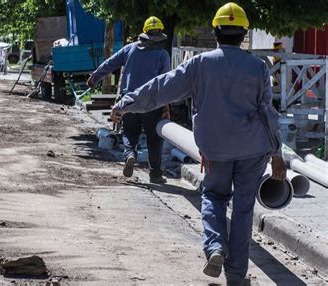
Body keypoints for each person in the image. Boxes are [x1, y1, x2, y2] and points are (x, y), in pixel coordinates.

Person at [109, 3, 287, 285]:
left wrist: (124, 104)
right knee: (243, 210)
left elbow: (161, 87)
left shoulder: (200, 64)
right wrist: (277, 155)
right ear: (244, 34)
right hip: (253, 150)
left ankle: (215, 247)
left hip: (215, 150)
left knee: (214, 198)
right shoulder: (257, 67)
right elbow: (268, 113)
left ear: (215, 32)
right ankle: (237, 275)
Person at [87, 16, 171, 184]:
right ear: (160, 33)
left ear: (144, 32)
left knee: (129, 132)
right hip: (152, 103)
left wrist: (94, 78)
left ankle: (130, 154)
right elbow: (165, 83)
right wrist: (166, 107)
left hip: (129, 101)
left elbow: (110, 64)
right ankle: (155, 174)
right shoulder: (162, 54)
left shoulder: (129, 49)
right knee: (154, 137)